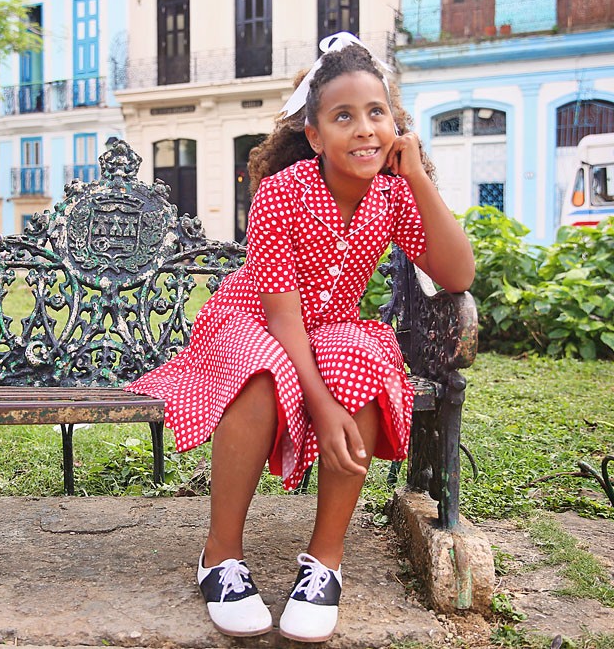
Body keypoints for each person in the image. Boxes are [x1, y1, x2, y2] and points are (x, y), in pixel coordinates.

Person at [126, 32, 475, 642]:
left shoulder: (393, 195)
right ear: (314, 135)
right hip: (253, 320)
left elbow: (457, 274)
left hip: (328, 328)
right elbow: (283, 319)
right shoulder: (282, 194)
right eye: (344, 116)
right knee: (263, 372)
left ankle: (324, 565)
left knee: (364, 357)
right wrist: (318, 402)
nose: (365, 129)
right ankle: (221, 557)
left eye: (377, 113)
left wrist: (418, 177)